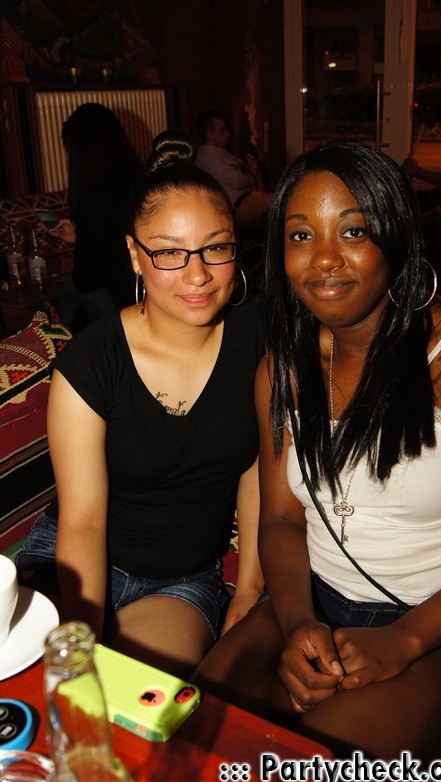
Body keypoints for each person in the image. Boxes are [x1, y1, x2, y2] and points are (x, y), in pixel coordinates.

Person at [193, 140, 441, 770]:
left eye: (353, 230)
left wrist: (405, 639)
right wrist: (296, 621)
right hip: (312, 602)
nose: (324, 259)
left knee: (312, 775)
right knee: (190, 744)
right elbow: (281, 519)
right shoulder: (281, 372)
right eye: (300, 236)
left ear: (396, 236)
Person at [20, 133, 265, 676]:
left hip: (179, 581)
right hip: (74, 565)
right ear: (135, 254)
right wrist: (82, 645)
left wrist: (248, 587)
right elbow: (83, 522)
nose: (197, 274)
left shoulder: (259, 339)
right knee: (60, 691)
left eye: (215, 247)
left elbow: (255, 471)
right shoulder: (91, 363)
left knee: (137, 699)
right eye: (169, 252)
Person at [48, 103, 143, 332]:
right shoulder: (142, 176)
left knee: (68, 290)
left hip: (128, 299)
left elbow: (85, 280)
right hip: (152, 287)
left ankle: (66, 349)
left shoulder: (97, 196)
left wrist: (85, 239)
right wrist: (80, 236)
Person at [195, 109, 273, 229]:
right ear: (210, 134)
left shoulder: (219, 152)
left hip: (247, 198)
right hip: (238, 206)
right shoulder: (207, 157)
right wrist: (250, 178)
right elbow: (237, 181)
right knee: (284, 201)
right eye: (222, 130)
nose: (228, 134)